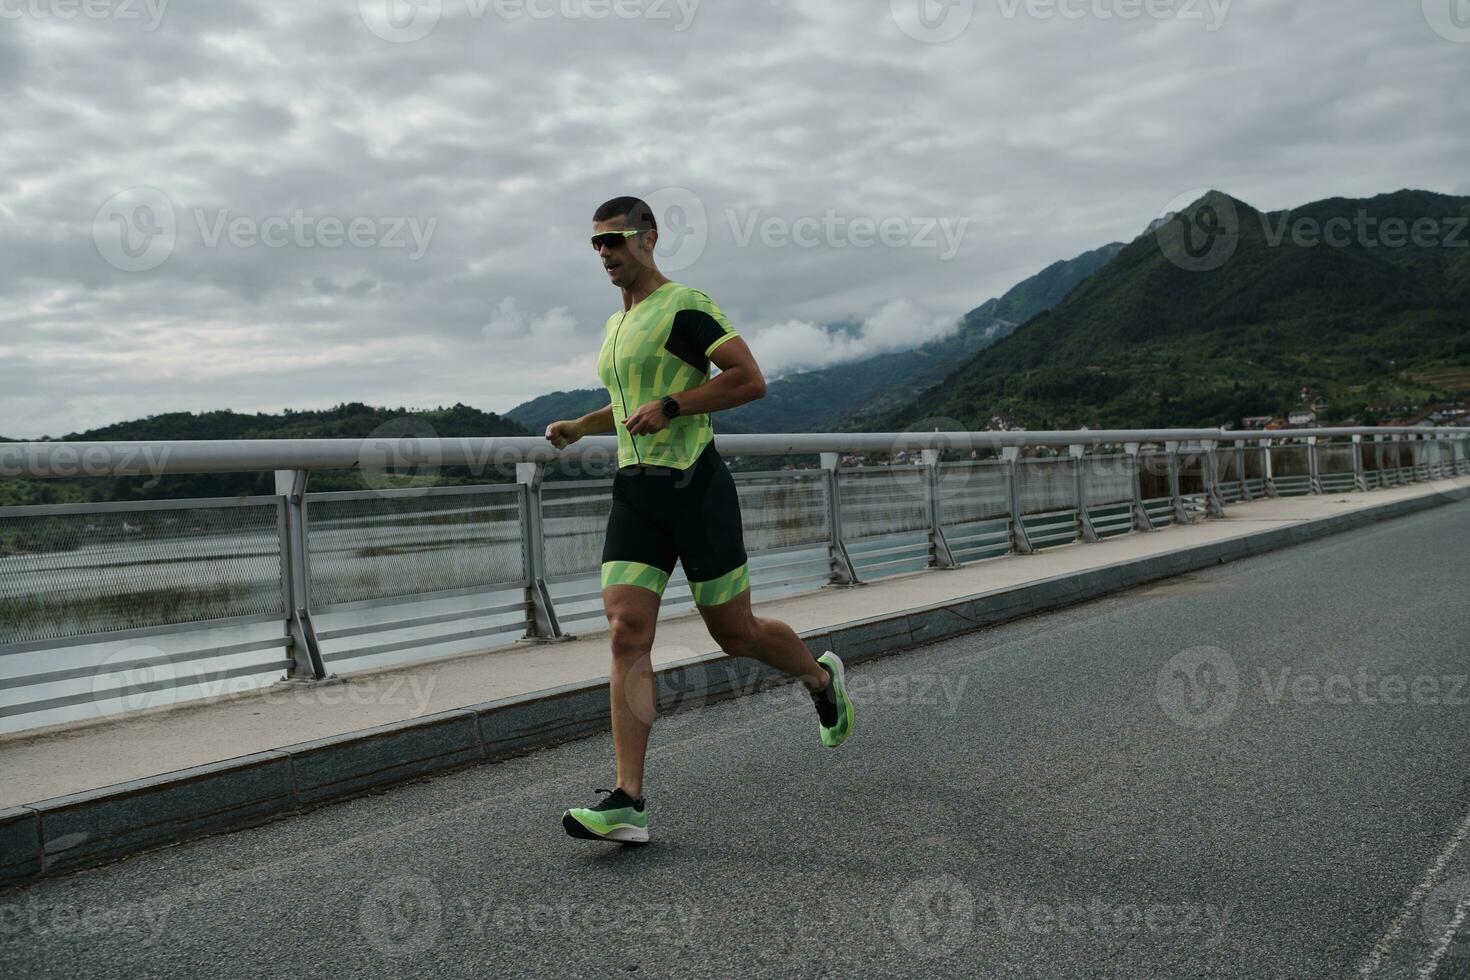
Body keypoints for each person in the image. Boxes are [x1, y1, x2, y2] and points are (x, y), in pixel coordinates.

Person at [544, 196, 855, 844]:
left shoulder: (685, 306)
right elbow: (629, 402)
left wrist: (676, 404)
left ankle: (820, 678)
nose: (605, 252)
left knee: (736, 633)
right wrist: (582, 424)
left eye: (615, 240)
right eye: (596, 243)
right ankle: (628, 799)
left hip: (696, 488)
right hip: (636, 491)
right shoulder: (614, 326)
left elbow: (749, 380)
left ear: (649, 238)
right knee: (627, 630)